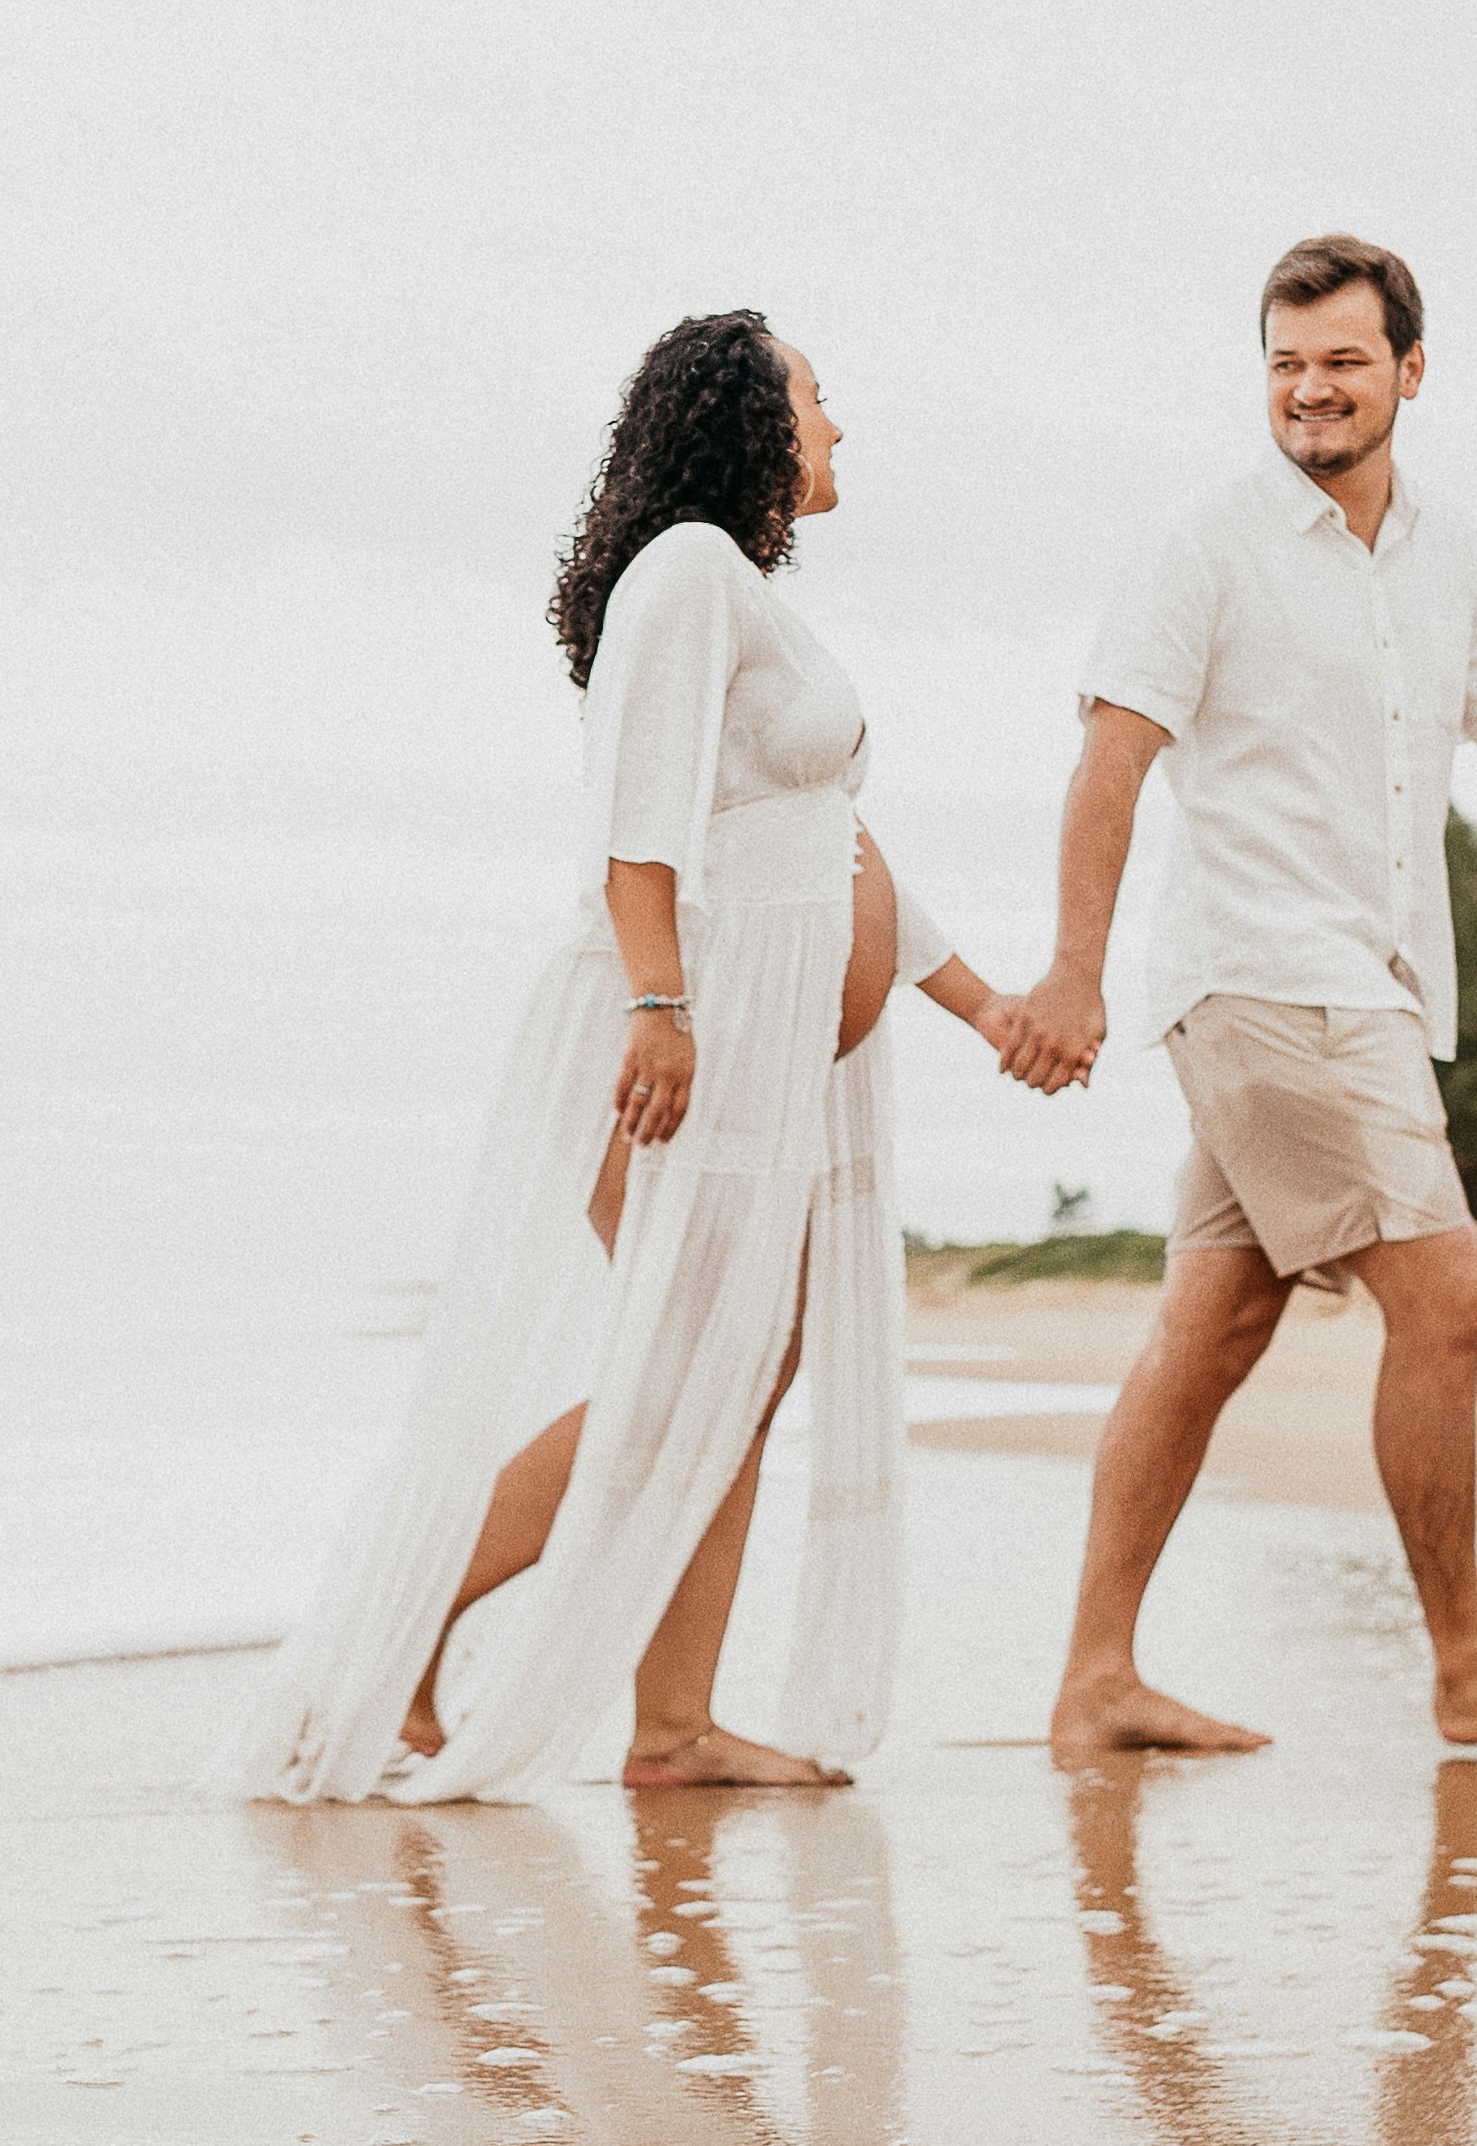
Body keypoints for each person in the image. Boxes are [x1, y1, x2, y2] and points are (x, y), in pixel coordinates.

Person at [222, 312, 1060, 1802]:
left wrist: (984, 1005)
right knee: (695, 1365)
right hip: (697, 1035)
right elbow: (638, 816)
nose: (840, 428)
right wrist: (661, 1010)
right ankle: (425, 1635)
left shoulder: (743, 597)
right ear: (749, 418)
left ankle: (674, 1725)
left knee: (730, 1367)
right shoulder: (686, 572)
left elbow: (837, 850)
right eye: (819, 398)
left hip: (766, 1044)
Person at [1009, 233, 1477, 1760]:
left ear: (1409, 368)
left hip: (1368, 991)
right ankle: (1469, 1670)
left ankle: (1094, 1677)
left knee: (1213, 1322)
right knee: (1455, 1295)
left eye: (1340, 360)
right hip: (1268, 979)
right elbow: (1112, 762)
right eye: (1284, 362)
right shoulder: (1203, 546)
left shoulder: (1453, 555)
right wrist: (1074, 969)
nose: (1310, 390)